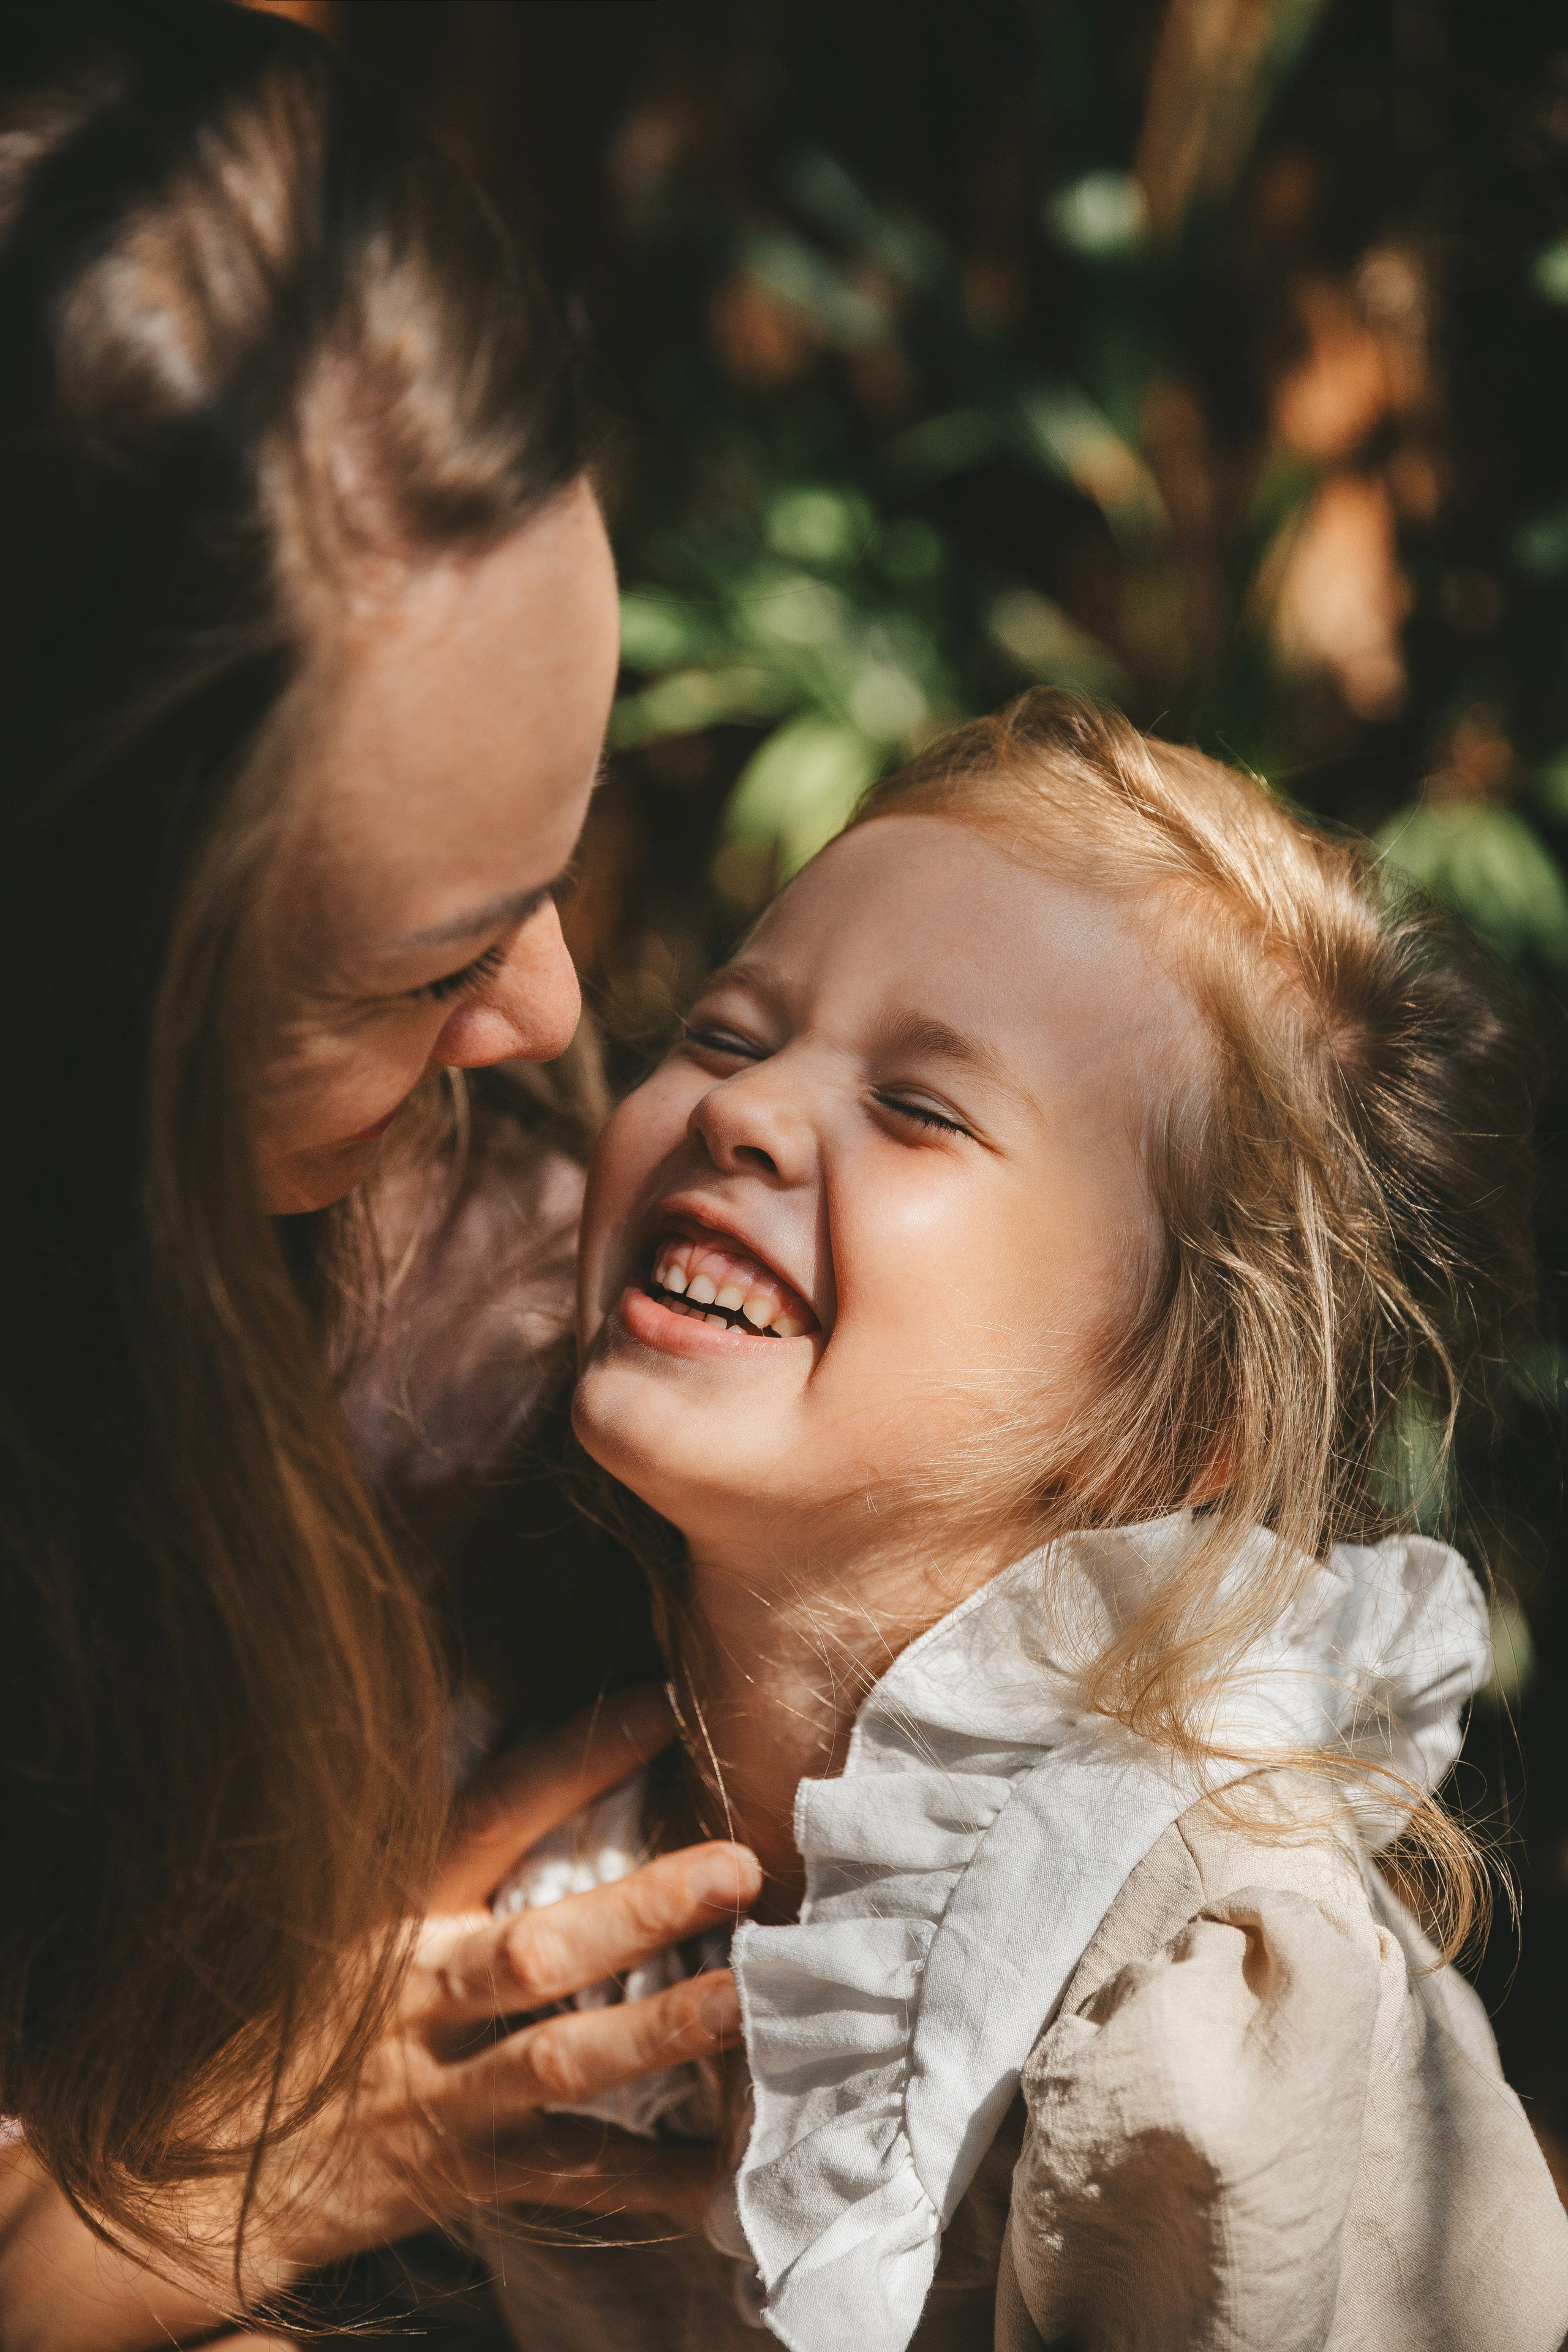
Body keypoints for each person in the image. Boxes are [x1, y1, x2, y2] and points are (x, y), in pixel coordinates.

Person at [477, 690, 1568, 2349]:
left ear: (1185, 1411)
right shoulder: (536, 1767)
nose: (743, 1114)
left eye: (919, 1108)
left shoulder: (1189, 1970)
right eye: (727, 1031)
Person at [0, 4, 758, 2343]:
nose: (546, 1020)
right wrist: (201, 2182)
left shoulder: (456, 1261)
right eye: (417, 971)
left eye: (572, 858)